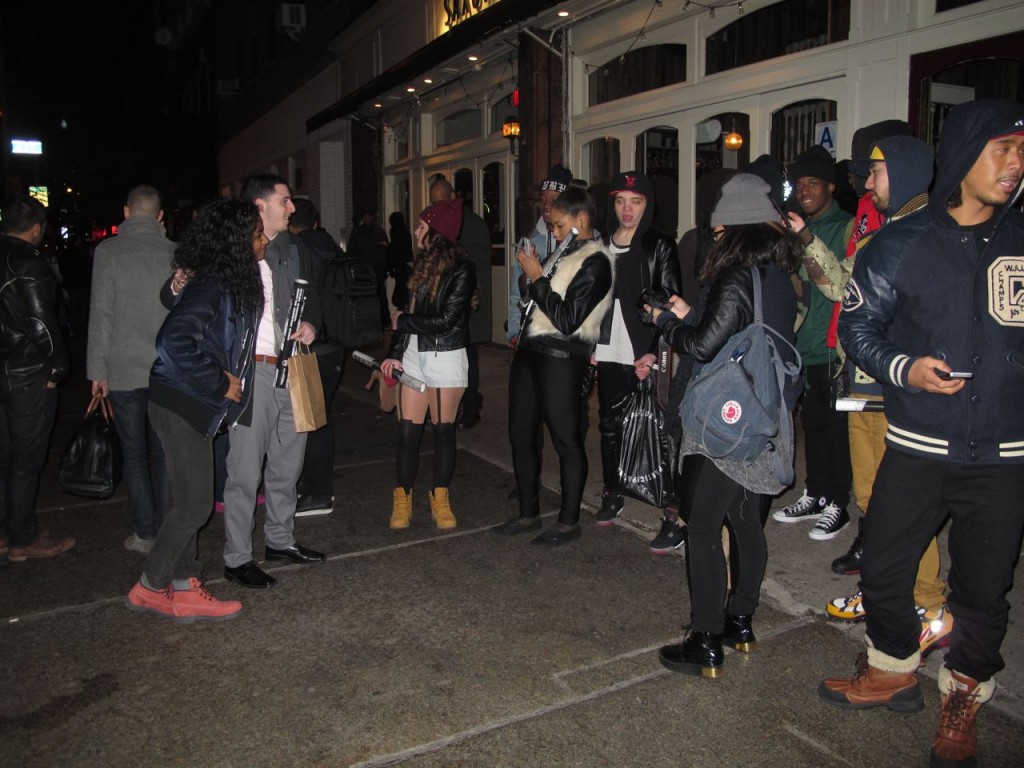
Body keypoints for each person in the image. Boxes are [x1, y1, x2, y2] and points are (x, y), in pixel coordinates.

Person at [821, 99, 1024, 768]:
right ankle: (891, 667)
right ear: (964, 155)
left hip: (1005, 453)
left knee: (983, 589)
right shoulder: (899, 243)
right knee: (883, 567)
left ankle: (963, 696)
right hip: (918, 445)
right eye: (1003, 149)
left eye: (1022, 151)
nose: (1016, 163)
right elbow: (859, 328)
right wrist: (904, 368)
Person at [653, 174, 802, 678]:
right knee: (744, 522)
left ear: (733, 228)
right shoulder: (777, 274)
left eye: (718, 231)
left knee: (701, 527)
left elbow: (701, 346)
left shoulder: (736, 275)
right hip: (767, 412)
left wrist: (666, 322)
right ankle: (740, 621)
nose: (714, 238)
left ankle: (704, 638)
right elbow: (740, 329)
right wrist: (691, 312)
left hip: (727, 419)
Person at [125, 198, 263, 623]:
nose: (263, 241)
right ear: (237, 241)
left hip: (185, 401)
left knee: (184, 501)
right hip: (183, 401)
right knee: (194, 505)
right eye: (257, 234)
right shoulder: (213, 284)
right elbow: (172, 341)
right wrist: (219, 381)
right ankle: (150, 585)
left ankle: (185, 587)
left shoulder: (223, 280)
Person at [493, 186, 613, 546]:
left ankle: (568, 521)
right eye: (553, 226)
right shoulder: (562, 252)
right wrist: (529, 276)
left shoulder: (597, 261)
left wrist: (538, 278)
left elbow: (567, 318)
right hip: (531, 349)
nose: (555, 232)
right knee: (520, 434)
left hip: (562, 356)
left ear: (582, 219)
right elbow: (535, 300)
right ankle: (528, 512)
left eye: (560, 225)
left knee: (566, 441)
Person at [222, 174, 325, 590]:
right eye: (285, 201)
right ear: (259, 206)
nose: (293, 208)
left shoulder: (294, 249)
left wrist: (311, 324)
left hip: (293, 366)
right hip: (252, 371)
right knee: (245, 470)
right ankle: (236, 558)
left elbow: (312, 298)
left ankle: (280, 540)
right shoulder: (232, 252)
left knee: (288, 464)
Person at [772, 145, 854, 540]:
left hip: (833, 347)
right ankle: (816, 494)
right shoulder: (795, 225)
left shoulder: (848, 227)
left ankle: (838, 501)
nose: (804, 191)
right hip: (803, 345)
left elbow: (840, 286)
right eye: (800, 184)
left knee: (837, 430)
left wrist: (803, 236)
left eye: (813, 183)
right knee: (813, 426)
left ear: (831, 186)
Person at [87, 185, 174, 553]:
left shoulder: (108, 252)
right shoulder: (174, 252)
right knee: (165, 451)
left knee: (134, 453)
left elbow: (101, 315)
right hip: (168, 369)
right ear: (160, 216)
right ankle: (170, 529)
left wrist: (97, 370)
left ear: (125, 212)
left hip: (123, 369)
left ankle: (146, 532)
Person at [594, 172, 682, 531]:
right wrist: (591, 342)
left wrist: (653, 351)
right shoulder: (601, 243)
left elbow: (671, 300)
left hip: (646, 348)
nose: (626, 210)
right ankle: (613, 490)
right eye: (620, 201)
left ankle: (671, 505)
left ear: (648, 204)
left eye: (635, 201)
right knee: (609, 425)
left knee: (662, 428)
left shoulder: (659, 244)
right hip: (607, 348)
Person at [381, 198, 475, 530]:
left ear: (436, 232)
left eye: (422, 226)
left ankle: (440, 498)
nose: (416, 231)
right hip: (413, 355)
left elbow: (446, 321)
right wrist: (394, 353)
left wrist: (403, 321)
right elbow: (405, 316)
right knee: (408, 432)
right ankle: (402, 498)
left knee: (443, 432)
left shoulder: (462, 269)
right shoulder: (421, 265)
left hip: (445, 357)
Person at [0, 195, 74, 562]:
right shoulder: (28, 262)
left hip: (5, 367)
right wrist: (58, 366)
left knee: (5, 455)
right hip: (26, 372)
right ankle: (22, 538)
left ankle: (9, 528)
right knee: (26, 459)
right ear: (35, 228)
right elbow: (41, 322)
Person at [288, 198, 346, 517]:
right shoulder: (332, 248)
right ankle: (313, 488)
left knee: (311, 422)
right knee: (317, 418)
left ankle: (318, 493)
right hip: (335, 344)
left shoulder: (297, 250)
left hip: (311, 346)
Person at [429, 178, 491, 430]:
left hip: (467, 306)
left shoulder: (472, 225)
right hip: (447, 306)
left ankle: (470, 406)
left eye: (441, 201)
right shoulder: (437, 224)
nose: (437, 207)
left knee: (467, 359)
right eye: (434, 203)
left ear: (453, 197)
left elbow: (475, 268)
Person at [507, 164, 573, 346]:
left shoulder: (587, 240)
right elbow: (516, 295)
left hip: (568, 337)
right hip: (533, 336)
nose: (546, 205)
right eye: (543, 198)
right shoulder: (529, 241)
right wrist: (514, 333)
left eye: (555, 199)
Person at [348, 211, 390, 328]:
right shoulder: (378, 232)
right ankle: (383, 322)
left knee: (367, 297)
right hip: (374, 270)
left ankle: (372, 323)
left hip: (365, 271)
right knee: (379, 296)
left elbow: (351, 251)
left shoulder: (358, 232)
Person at [386, 212, 414, 311]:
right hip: (407, 265)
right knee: (404, 291)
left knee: (400, 292)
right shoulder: (406, 233)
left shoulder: (397, 233)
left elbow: (396, 250)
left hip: (400, 266)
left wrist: (388, 247)